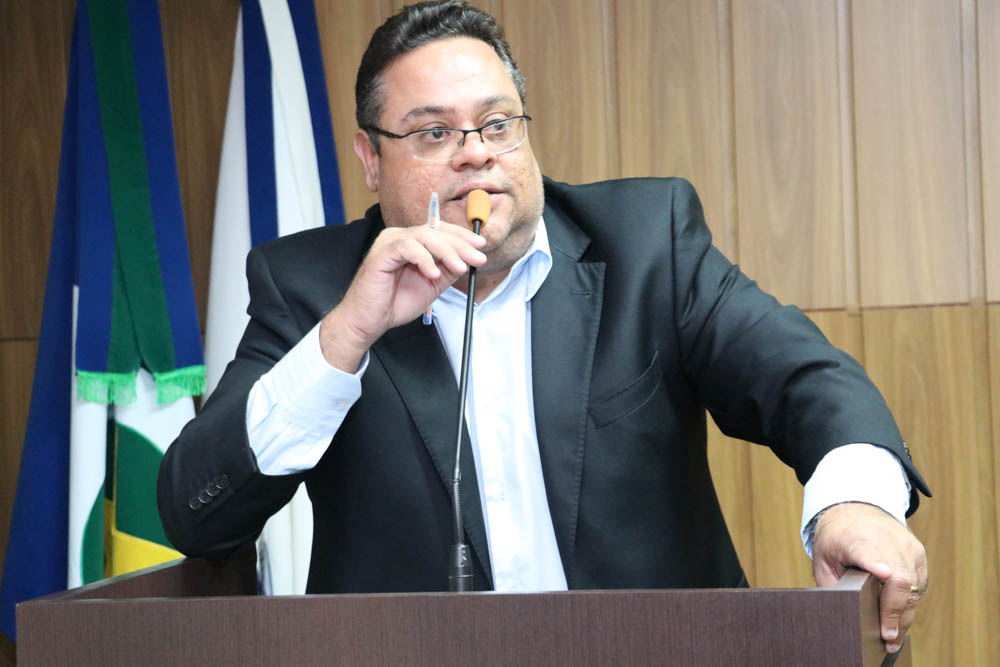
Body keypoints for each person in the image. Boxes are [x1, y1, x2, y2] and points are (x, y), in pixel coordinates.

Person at [158, 0, 929, 653]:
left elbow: (802, 377)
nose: (475, 156)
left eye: (496, 124)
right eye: (433, 134)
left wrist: (857, 500)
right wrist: (343, 339)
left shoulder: (644, 243)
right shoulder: (313, 288)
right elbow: (197, 510)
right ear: (370, 159)